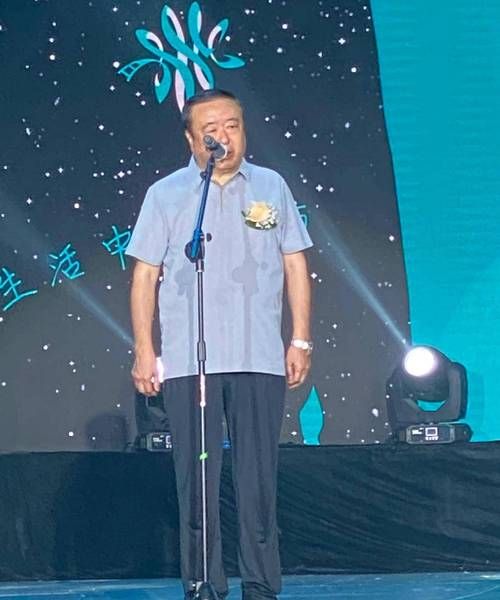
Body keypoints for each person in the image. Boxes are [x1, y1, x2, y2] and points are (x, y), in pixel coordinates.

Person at [126, 89, 313, 600]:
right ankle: (203, 582)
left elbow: (295, 262)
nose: (223, 137)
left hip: (259, 356)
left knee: (258, 480)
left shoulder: (271, 186)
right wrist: (145, 349)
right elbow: (145, 275)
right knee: (197, 481)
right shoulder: (167, 194)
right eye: (211, 130)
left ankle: (261, 583)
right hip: (192, 362)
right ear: (192, 139)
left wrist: (299, 338)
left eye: (232, 125)